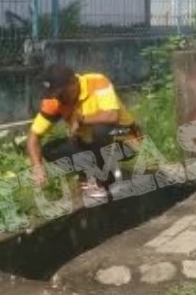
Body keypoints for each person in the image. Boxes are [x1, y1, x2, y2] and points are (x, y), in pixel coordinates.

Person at [26, 64, 141, 200]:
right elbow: (34, 136)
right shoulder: (54, 102)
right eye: (54, 95)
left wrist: (81, 120)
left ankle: (105, 180)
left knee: (100, 129)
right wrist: (37, 167)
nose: (59, 99)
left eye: (61, 94)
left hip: (125, 137)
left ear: (73, 83)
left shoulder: (97, 81)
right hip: (90, 142)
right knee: (51, 149)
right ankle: (94, 174)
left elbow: (112, 116)